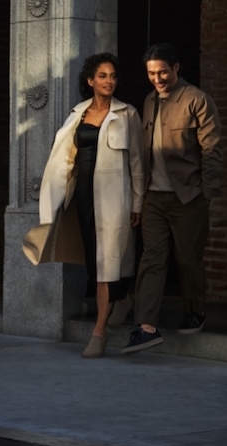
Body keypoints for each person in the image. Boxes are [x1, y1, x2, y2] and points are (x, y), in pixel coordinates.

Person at [37, 52, 145, 358]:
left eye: (112, 76)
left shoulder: (128, 115)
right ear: (90, 81)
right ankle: (121, 299)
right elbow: (65, 159)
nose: (109, 81)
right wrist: (54, 199)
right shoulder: (78, 114)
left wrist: (137, 202)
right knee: (94, 257)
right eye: (102, 76)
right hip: (82, 195)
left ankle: (99, 332)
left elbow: (138, 163)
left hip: (115, 198)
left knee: (106, 262)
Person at [122, 43, 223, 354]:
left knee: (188, 259)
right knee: (151, 259)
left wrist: (206, 193)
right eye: (151, 73)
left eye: (163, 71)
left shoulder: (197, 100)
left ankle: (195, 310)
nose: (157, 78)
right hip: (155, 196)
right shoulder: (149, 101)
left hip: (188, 196)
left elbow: (212, 150)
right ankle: (146, 327)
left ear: (176, 68)